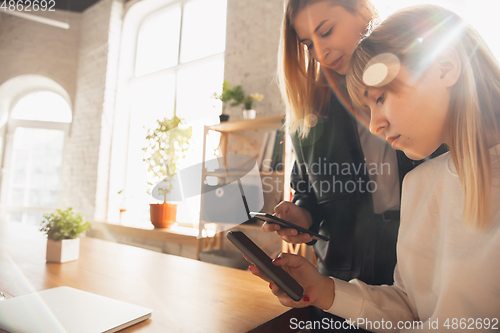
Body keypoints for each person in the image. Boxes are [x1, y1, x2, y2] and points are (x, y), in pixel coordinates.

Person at [252, 4, 500, 330]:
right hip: (348, 282)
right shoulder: (422, 182)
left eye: (380, 99)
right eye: (308, 44)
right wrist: (323, 288)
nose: (373, 125)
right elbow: (411, 305)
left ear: (444, 67)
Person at [265, 0, 445, 286]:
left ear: (362, 10)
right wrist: (302, 215)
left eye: (326, 31)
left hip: (425, 272)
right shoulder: (312, 109)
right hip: (340, 280)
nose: (320, 52)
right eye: (308, 44)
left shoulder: (420, 75)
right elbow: (307, 190)